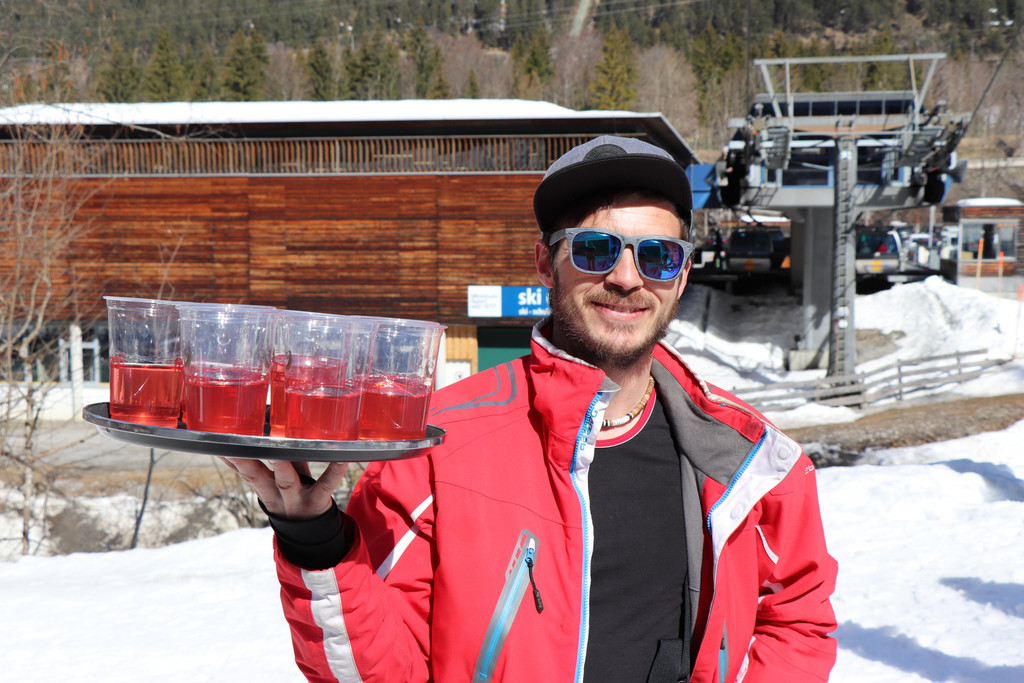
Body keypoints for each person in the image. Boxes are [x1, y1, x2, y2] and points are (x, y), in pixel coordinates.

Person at [223, 135, 838, 683]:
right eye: (596, 249)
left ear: (679, 277)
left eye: (657, 255)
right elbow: (379, 671)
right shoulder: (436, 446)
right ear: (546, 262)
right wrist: (314, 539)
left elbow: (798, 619)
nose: (627, 278)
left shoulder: (749, 460)